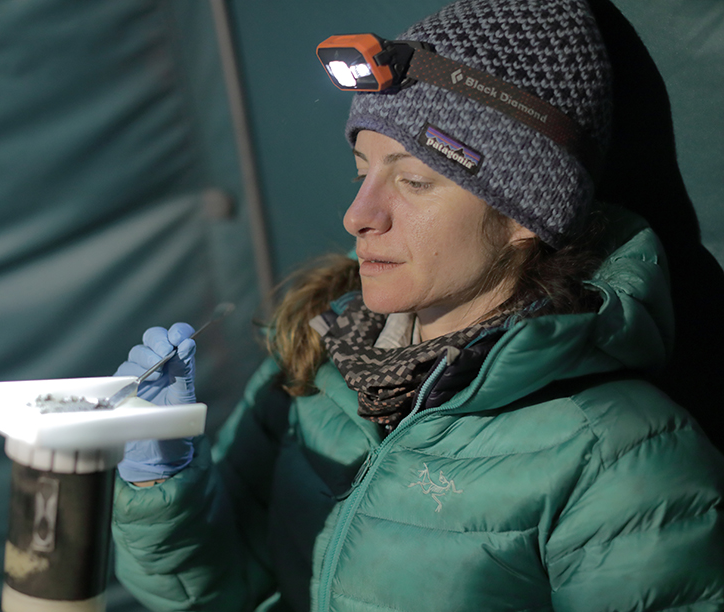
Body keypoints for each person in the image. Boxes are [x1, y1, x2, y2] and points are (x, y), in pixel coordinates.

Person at [111, 0, 724, 610]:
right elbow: (208, 590)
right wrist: (160, 480)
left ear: (524, 214)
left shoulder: (620, 459)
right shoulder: (313, 364)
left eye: (414, 181)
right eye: (362, 173)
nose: (359, 216)